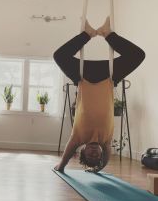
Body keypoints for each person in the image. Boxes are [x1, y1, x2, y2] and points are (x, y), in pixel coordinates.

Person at [54, 17, 145, 172]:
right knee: (138, 55)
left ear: (82, 151)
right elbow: (106, 157)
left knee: (59, 56)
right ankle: (108, 33)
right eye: (97, 156)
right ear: (102, 153)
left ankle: (87, 34)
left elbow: (68, 153)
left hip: (82, 77)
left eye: (90, 155)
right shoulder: (106, 140)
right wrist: (99, 168)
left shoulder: (78, 138)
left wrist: (61, 167)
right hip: (109, 77)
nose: (94, 153)